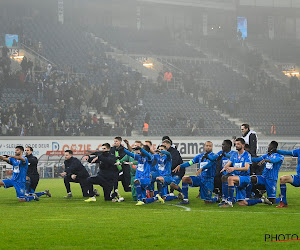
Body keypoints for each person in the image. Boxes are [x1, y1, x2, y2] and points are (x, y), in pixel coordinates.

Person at [220, 138, 255, 207]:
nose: (236, 145)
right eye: (236, 144)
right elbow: (229, 163)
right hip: (237, 178)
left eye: (238, 144)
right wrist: (225, 168)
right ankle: (262, 200)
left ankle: (229, 202)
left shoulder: (247, 155)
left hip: (245, 178)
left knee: (230, 179)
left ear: (243, 145)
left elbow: (246, 168)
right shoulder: (234, 155)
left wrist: (234, 168)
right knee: (242, 203)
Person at [250, 141, 284, 206]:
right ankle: (257, 194)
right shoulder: (266, 156)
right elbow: (256, 160)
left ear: (274, 147)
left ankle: (280, 198)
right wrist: (248, 157)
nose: (268, 147)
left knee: (272, 201)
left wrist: (266, 160)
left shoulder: (280, 156)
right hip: (263, 177)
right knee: (251, 179)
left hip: (272, 180)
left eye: (269, 146)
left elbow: (274, 161)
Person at [206, 140, 235, 205]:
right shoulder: (220, 152)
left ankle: (225, 199)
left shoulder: (233, 153)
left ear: (228, 146)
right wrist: (208, 156)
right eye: (222, 145)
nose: (222, 146)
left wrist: (225, 155)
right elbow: (214, 158)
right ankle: (218, 194)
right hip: (222, 174)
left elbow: (233, 159)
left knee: (224, 178)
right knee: (211, 177)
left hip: (232, 174)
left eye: (223, 145)